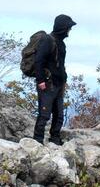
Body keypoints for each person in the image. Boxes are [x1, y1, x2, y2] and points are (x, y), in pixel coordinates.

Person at [32, 14, 76, 146]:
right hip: (48, 83)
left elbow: (60, 64)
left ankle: (55, 139)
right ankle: (37, 141)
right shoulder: (48, 40)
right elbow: (39, 61)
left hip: (58, 84)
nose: (70, 30)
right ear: (63, 28)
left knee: (59, 115)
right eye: (69, 27)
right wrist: (41, 81)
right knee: (44, 114)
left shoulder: (61, 43)